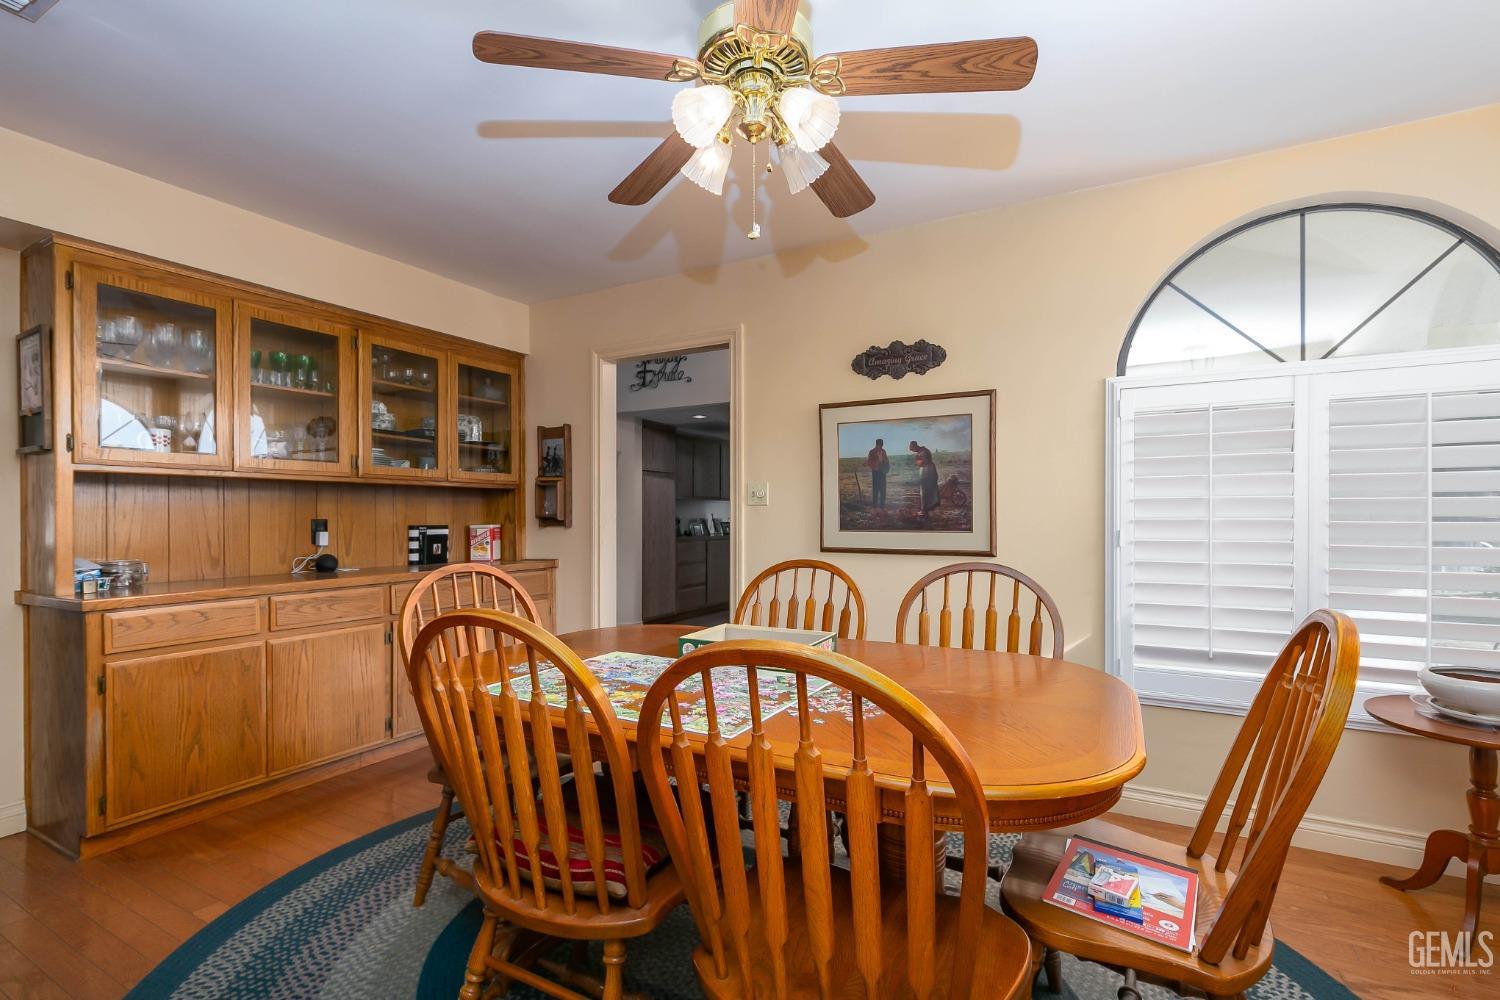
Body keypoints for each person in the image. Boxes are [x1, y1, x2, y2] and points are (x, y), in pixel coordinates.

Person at [910, 440, 939, 517]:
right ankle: (925, 509)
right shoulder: (920, 452)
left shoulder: (924, 451)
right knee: (924, 491)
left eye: (913, 450)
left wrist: (919, 460)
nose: (913, 451)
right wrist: (918, 460)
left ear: (915, 446)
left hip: (929, 472)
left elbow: (923, 462)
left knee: (926, 491)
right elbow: (919, 463)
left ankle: (924, 510)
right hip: (925, 471)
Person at [866, 437, 890, 508]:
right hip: (876, 473)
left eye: (881, 445)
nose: (880, 447)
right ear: (876, 445)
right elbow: (869, 462)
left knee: (883, 491)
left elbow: (887, 461)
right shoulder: (872, 452)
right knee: (875, 491)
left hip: (882, 473)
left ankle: (882, 507)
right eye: (879, 445)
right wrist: (876, 465)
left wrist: (886, 468)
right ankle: (874, 508)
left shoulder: (884, 451)